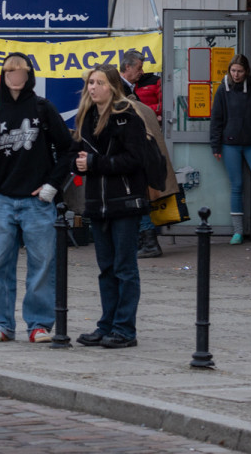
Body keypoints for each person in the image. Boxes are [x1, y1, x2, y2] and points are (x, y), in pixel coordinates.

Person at [0, 52, 73, 344]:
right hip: (3, 201)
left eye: (20, 73)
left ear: (29, 76)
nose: (14, 78)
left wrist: (52, 186)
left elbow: (68, 149)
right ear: (3, 77)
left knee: (42, 265)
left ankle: (39, 326)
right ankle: (1, 325)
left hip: (38, 202)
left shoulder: (43, 109)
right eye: (9, 73)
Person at [73, 64, 148, 349]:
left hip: (125, 201)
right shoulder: (86, 117)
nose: (93, 87)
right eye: (90, 82)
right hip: (97, 203)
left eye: (99, 82)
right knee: (105, 268)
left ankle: (125, 329)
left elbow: (134, 159)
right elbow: (76, 155)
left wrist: (94, 163)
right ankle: (106, 324)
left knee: (124, 268)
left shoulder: (126, 117)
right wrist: (77, 164)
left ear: (112, 86)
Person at [119, 51, 167, 258]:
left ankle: (148, 242)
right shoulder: (122, 88)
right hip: (131, 151)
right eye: (138, 68)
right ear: (127, 67)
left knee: (136, 197)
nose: (142, 72)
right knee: (135, 197)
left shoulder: (126, 89)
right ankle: (145, 241)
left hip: (132, 152)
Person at [209, 55, 251, 245]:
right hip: (230, 144)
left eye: (240, 71)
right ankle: (238, 231)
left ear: (247, 72)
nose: (236, 75)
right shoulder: (223, 90)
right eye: (233, 71)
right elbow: (216, 119)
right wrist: (215, 145)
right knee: (237, 186)